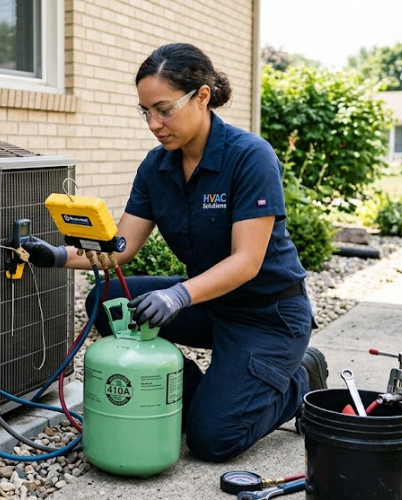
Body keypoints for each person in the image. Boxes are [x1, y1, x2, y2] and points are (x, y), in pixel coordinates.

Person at [22, 42, 329, 463]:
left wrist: (177, 295)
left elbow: (247, 261)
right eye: (145, 111)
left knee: (212, 440)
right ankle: (194, 392)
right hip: (210, 304)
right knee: (106, 302)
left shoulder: (249, 157)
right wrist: (57, 257)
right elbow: (121, 248)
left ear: (202, 96)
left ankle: (300, 379)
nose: (153, 123)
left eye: (163, 109)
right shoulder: (156, 166)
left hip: (267, 316)